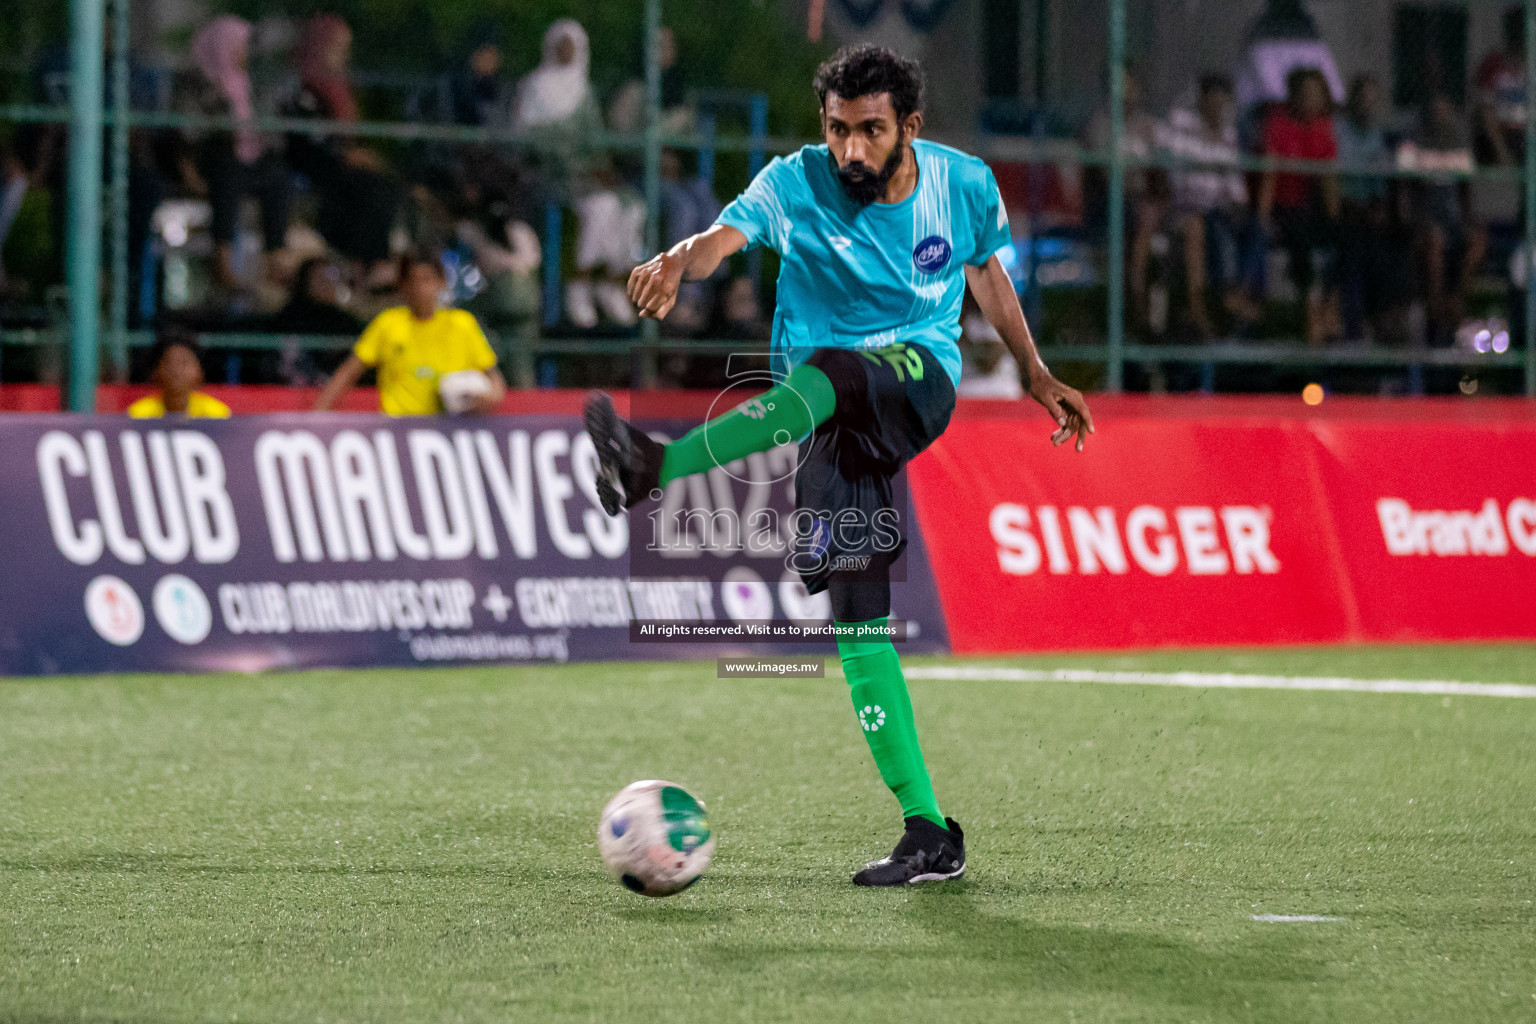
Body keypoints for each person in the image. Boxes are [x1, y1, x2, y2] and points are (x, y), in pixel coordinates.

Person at [583, 46, 1092, 887]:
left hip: (914, 380)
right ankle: (929, 830)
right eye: (837, 130)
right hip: (826, 417)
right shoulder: (795, 182)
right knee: (858, 621)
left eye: (870, 130)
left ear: (909, 129)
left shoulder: (962, 185)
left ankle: (654, 465)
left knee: (837, 372)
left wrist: (1034, 374)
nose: (851, 149)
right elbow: (723, 239)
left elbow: (989, 275)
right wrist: (678, 258)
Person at [514, 19, 641, 329]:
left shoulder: (584, 90)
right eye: (562, 46)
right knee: (603, 207)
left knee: (633, 205)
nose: (567, 53)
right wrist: (572, 159)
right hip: (553, 175)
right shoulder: (533, 86)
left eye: (573, 47)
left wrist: (602, 168)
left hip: (587, 175)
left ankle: (610, 283)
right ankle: (579, 286)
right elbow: (528, 140)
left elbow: (595, 139)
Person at [315, 247, 507, 416]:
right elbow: (349, 372)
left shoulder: (462, 324)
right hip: (398, 430)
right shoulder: (388, 324)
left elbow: (494, 381)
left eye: (427, 280)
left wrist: (486, 399)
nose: (420, 289)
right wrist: (316, 417)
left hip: (448, 432)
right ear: (403, 286)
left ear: (441, 282)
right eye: (413, 280)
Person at [176, 16, 291, 295]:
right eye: (238, 46)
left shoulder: (251, 85)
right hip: (214, 158)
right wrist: (188, 170)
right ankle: (223, 264)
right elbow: (185, 131)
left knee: (278, 178)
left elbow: (268, 129)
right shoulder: (196, 82)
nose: (244, 53)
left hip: (250, 158)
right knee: (229, 175)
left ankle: (275, 262)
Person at [284, 15, 400, 280]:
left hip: (337, 159)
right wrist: (348, 156)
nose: (342, 54)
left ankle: (371, 262)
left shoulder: (339, 85)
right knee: (370, 187)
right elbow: (309, 138)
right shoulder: (304, 87)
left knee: (385, 182)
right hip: (314, 161)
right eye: (337, 46)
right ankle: (365, 262)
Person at [1158, 73, 1261, 337]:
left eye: (1224, 102)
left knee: (1257, 226)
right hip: (1189, 210)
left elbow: (1236, 189)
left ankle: (1241, 294)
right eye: (1214, 100)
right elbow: (1177, 178)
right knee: (1207, 225)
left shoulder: (1228, 135)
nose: (1219, 107)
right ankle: (1213, 298)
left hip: (1220, 210)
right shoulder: (1182, 126)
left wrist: (1238, 205)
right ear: (1202, 100)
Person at [1258, 66, 1340, 345]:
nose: (1312, 100)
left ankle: (1331, 307)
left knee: (1349, 235)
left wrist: (1336, 220)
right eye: (1306, 94)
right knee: (1301, 234)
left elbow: (1329, 187)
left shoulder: (1323, 127)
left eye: (1317, 94)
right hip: (1285, 208)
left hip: (1312, 208)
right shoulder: (1278, 124)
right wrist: (1262, 217)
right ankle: (1310, 310)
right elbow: (1269, 177)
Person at [1333, 74, 1411, 343]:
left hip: (1368, 211)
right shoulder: (1338, 130)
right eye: (1363, 97)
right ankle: (1360, 323)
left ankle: (1390, 318)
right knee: (1359, 244)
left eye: (1372, 99)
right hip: (1341, 208)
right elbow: (1337, 177)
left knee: (1397, 243)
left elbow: (1378, 181)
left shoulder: (1376, 135)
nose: (1367, 104)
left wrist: (1379, 207)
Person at [1414, 93, 1485, 344]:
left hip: (1453, 223)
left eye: (1446, 113)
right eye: (1436, 113)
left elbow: (1466, 196)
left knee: (1477, 240)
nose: (1441, 119)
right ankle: (1436, 306)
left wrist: (1470, 222)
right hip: (1425, 223)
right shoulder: (1416, 147)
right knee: (1435, 243)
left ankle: (1457, 299)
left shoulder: (1459, 150)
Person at [127, 326, 232, 419]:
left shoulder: (217, 415)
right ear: (155, 372)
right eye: (169, 363)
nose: (176, 371)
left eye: (184, 363)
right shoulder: (138, 415)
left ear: (200, 372)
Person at [1475, 7, 1528, 167]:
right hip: (1503, 132)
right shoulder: (1495, 64)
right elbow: (1486, 110)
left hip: (1527, 133)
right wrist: (1502, 152)